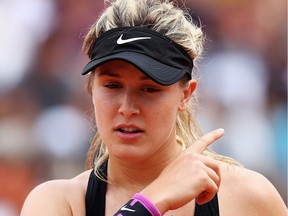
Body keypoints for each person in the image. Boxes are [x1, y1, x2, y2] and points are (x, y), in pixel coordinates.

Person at [21, 0, 287, 215]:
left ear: (185, 95)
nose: (127, 108)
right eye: (112, 86)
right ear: (91, 89)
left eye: (149, 89)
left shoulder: (247, 198)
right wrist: (152, 201)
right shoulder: (57, 202)